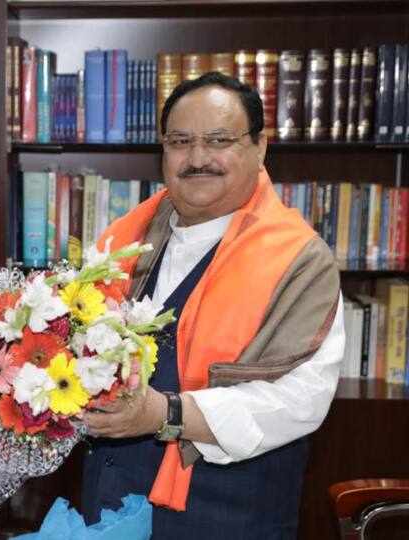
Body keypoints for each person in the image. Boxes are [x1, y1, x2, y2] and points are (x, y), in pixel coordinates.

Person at [82, 72, 344, 538]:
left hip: (227, 514)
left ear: (259, 148)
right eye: (180, 141)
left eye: (219, 140)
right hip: (109, 505)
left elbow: (300, 400)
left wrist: (167, 414)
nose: (197, 158)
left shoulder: (299, 261)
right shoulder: (123, 241)